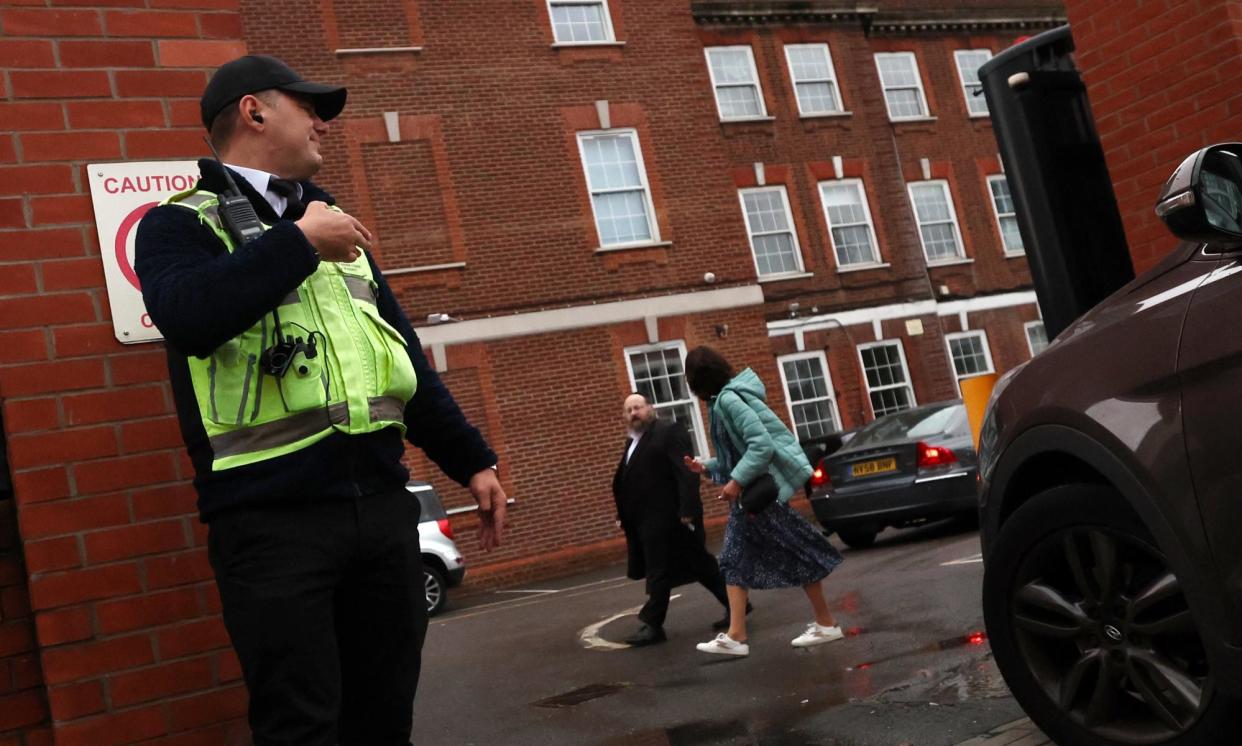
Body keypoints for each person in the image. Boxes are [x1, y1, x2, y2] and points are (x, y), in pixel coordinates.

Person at [134, 54, 507, 745]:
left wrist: (473, 461)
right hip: (272, 526)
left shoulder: (334, 226)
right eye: (309, 108)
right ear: (253, 111)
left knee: (384, 719)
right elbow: (187, 315)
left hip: (382, 513)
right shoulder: (178, 224)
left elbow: (401, 361)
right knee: (301, 727)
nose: (323, 126)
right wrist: (299, 242)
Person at [682, 346, 844, 658]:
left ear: (698, 379)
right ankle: (745, 633)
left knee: (743, 559)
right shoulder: (722, 401)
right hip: (753, 497)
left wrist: (736, 481)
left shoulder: (728, 400)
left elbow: (761, 446)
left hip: (756, 497)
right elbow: (736, 454)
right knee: (742, 559)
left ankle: (742, 635)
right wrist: (706, 467)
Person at [612, 393, 732, 645]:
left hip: (670, 516)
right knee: (700, 564)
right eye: (629, 410)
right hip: (648, 519)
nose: (634, 413)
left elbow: (685, 472)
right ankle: (737, 604)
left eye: (638, 407)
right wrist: (623, 515)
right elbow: (629, 480)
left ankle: (653, 625)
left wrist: (687, 509)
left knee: (659, 569)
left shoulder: (669, 432)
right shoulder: (633, 440)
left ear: (650, 409)